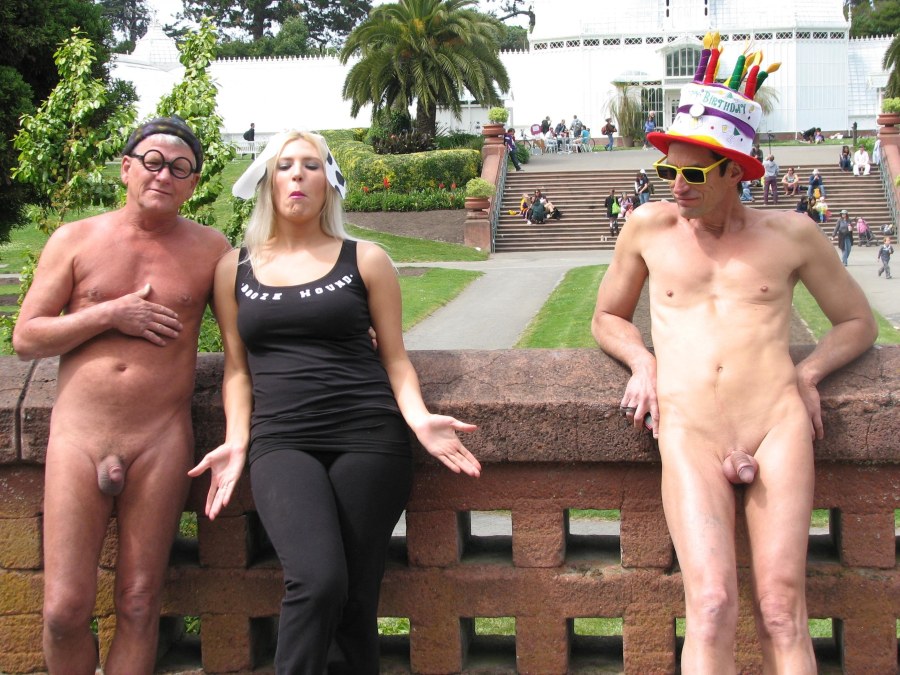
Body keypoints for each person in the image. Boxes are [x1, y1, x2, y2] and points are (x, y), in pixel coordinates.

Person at [592, 55, 877, 673]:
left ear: (734, 170)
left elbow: (858, 322)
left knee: (781, 609)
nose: (677, 184)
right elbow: (606, 316)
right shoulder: (647, 228)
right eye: (668, 169)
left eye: (693, 172)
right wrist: (641, 360)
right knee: (711, 604)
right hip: (690, 430)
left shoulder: (792, 235)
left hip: (774, 425)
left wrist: (808, 373)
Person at [188, 130, 481, 673]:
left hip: (368, 438)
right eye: (284, 166)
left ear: (329, 182)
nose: (297, 175)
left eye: (311, 165)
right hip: (282, 441)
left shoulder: (366, 259)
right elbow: (237, 369)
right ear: (267, 182)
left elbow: (395, 358)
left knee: (356, 599)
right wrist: (235, 441)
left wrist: (419, 419)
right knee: (318, 580)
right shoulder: (234, 268)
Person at [12, 116, 231, 674]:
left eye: (180, 168)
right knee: (63, 611)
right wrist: (110, 313)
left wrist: (352, 333)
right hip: (78, 437)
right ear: (127, 168)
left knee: (138, 602)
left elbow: (248, 334)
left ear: (192, 184)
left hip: (159, 439)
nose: (164, 175)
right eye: (153, 162)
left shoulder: (211, 249)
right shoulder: (75, 239)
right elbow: (26, 337)